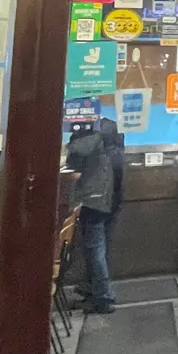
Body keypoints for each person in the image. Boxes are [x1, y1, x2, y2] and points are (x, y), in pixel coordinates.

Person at [65, 116, 125, 314]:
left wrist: (71, 141)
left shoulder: (94, 135)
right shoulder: (112, 133)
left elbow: (76, 154)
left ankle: (102, 297)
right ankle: (95, 289)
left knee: (95, 249)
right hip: (111, 198)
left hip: (95, 199)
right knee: (98, 248)